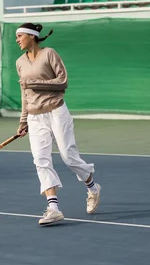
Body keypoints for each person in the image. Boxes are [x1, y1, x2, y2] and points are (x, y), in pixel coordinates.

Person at [14, 22, 101, 226]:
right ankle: (53, 208)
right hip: (35, 117)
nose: (17, 40)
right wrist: (24, 120)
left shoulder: (49, 54)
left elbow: (63, 81)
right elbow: (24, 93)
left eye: (20, 36)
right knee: (40, 160)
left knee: (69, 158)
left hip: (56, 111)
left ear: (32, 36)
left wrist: (34, 83)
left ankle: (93, 187)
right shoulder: (20, 62)